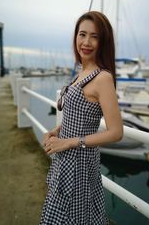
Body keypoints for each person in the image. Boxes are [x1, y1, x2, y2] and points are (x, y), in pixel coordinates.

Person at [39, 11, 123, 224]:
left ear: (103, 40)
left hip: (80, 164)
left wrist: (68, 142)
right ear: (75, 36)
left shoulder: (102, 78)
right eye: (82, 34)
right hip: (65, 160)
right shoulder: (80, 73)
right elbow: (77, 116)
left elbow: (116, 132)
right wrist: (56, 132)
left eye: (94, 36)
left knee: (74, 218)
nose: (86, 42)